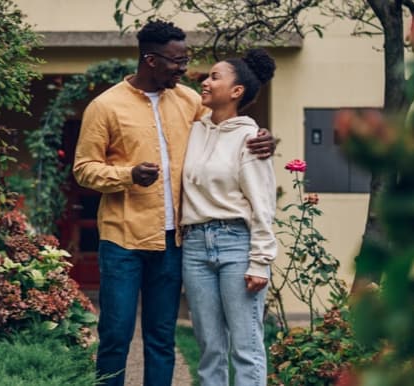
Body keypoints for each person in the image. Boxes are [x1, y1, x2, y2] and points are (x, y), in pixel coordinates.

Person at [72, 20, 275, 386]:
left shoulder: (188, 101)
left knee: (161, 339)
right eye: (176, 61)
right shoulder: (105, 106)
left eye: (186, 60)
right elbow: (83, 170)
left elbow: (226, 126)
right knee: (116, 336)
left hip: (175, 242)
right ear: (151, 59)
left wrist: (262, 136)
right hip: (122, 240)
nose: (185, 69)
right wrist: (128, 175)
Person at [179, 48, 278, 386]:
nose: (205, 82)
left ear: (236, 92)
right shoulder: (195, 130)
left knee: (246, 346)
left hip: (236, 244)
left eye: (214, 77)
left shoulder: (250, 139)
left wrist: (260, 260)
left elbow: (263, 204)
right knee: (209, 348)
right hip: (194, 246)